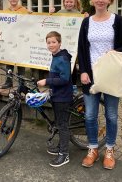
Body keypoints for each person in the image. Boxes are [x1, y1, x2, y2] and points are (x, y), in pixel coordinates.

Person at [78, 0, 122, 170]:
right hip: (90, 75)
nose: (100, 0)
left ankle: (109, 149)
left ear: (110, 0)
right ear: (92, 0)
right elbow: (82, 49)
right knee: (90, 115)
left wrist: (116, 51)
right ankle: (92, 148)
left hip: (111, 74)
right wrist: (83, 71)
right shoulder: (86, 23)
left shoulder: (118, 21)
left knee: (111, 115)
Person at [37, 31, 73, 167]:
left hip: (63, 96)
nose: (51, 44)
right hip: (57, 94)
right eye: (48, 42)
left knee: (63, 125)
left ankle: (64, 154)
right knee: (59, 122)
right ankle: (60, 147)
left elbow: (64, 79)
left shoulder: (62, 58)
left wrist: (46, 81)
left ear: (59, 43)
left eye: (53, 42)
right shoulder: (56, 55)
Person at [0, 0, 29, 88]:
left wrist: (31, 14)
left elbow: (31, 22)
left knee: (20, 63)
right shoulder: (5, 11)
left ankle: (21, 84)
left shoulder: (24, 10)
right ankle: (8, 82)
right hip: (9, 41)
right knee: (9, 63)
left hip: (20, 41)